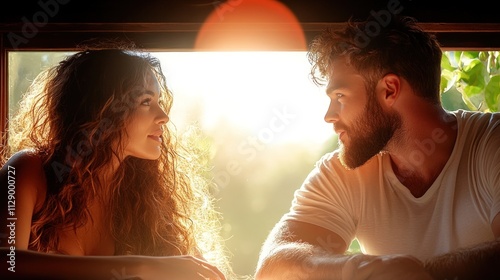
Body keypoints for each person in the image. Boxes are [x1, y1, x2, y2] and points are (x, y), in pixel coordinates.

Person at [255, 15, 500, 280]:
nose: (329, 115)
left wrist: (415, 274)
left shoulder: (492, 141)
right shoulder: (343, 172)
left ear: (389, 90)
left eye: (340, 97)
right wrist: (361, 268)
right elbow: (273, 267)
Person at [0, 47, 233, 279]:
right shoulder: (26, 171)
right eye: (145, 101)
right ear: (103, 110)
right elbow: (5, 263)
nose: (164, 116)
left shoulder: (149, 200)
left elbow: (198, 271)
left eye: (159, 101)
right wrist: (143, 268)